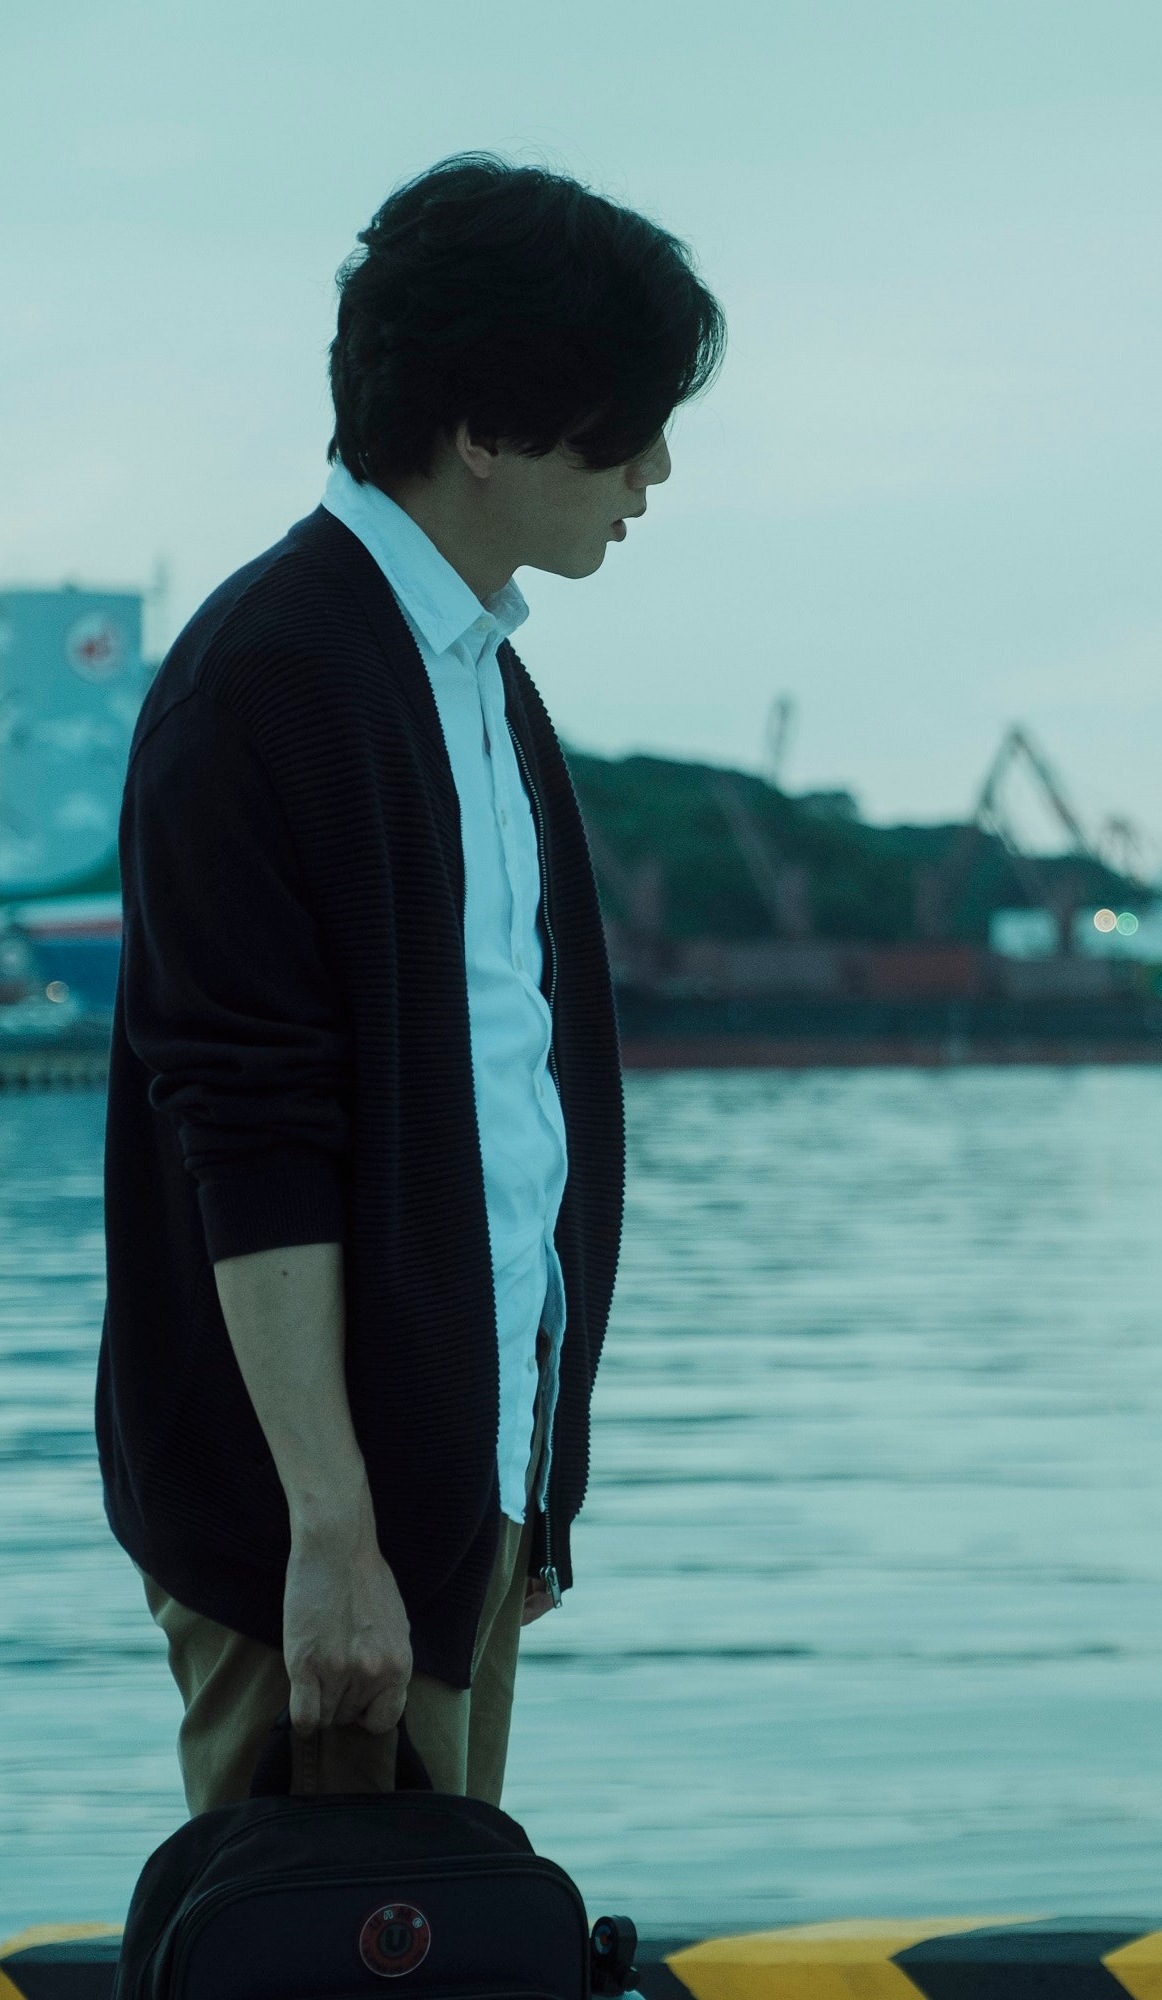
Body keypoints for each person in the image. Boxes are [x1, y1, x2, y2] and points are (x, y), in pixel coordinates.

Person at [98, 155, 723, 1810]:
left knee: (442, 1925)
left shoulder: (480, 683)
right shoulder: (270, 679)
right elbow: (251, 1130)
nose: (655, 470)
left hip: (456, 1512)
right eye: (626, 426)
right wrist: (330, 1535)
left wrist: (525, 1484)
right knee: (307, 1929)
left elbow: (514, 1113)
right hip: (320, 1549)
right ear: (488, 428)